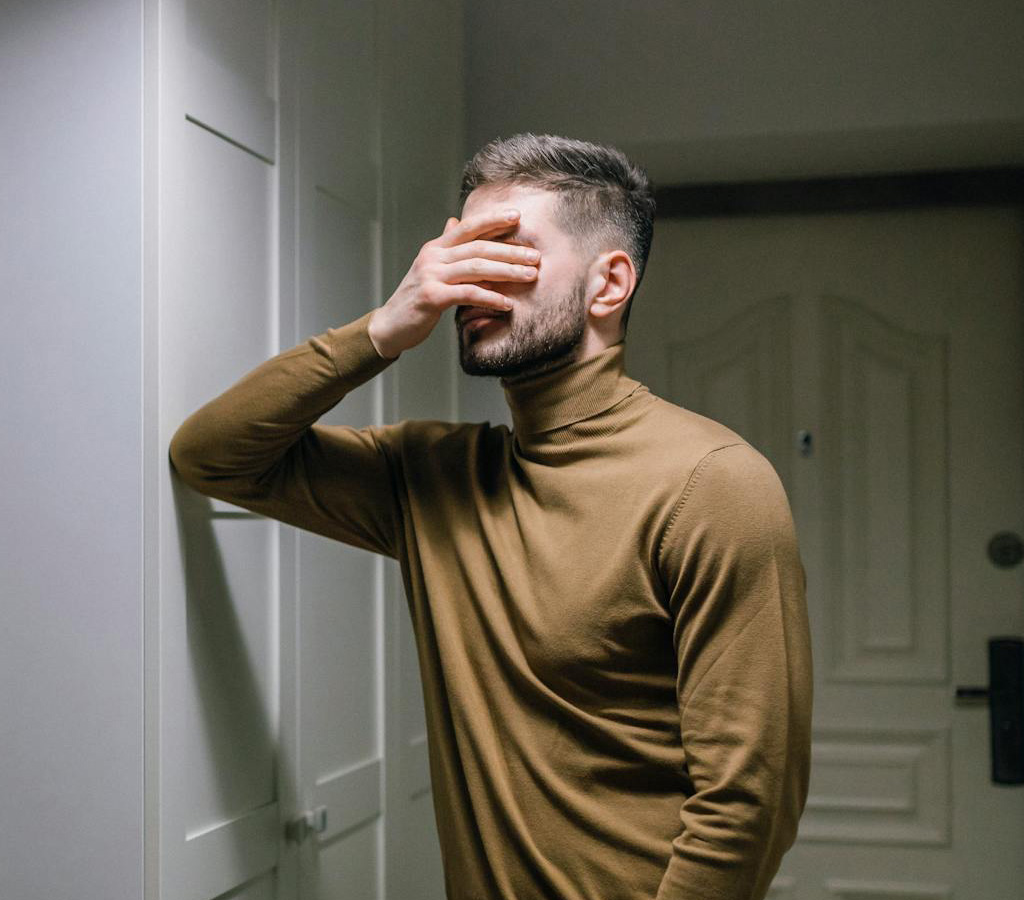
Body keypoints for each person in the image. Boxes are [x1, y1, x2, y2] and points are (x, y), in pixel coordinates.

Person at [169, 132, 813, 900]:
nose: (466, 284)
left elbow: (747, 803)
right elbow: (211, 455)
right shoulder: (431, 478)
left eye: (504, 250)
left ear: (609, 284)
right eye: (459, 251)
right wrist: (381, 331)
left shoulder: (713, 485)